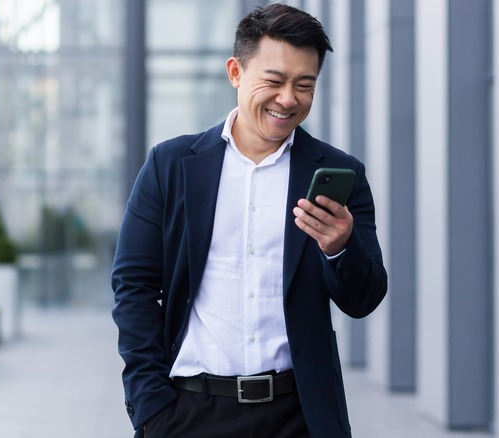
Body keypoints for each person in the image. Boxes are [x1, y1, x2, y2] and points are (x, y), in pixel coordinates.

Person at [111, 4, 387, 437]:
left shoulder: (339, 174)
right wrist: (150, 405)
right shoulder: (171, 165)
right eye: (273, 81)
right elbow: (134, 285)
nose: (288, 99)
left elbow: (364, 299)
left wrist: (340, 248)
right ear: (235, 72)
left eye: (304, 85)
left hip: (299, 417)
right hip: (190, 414)